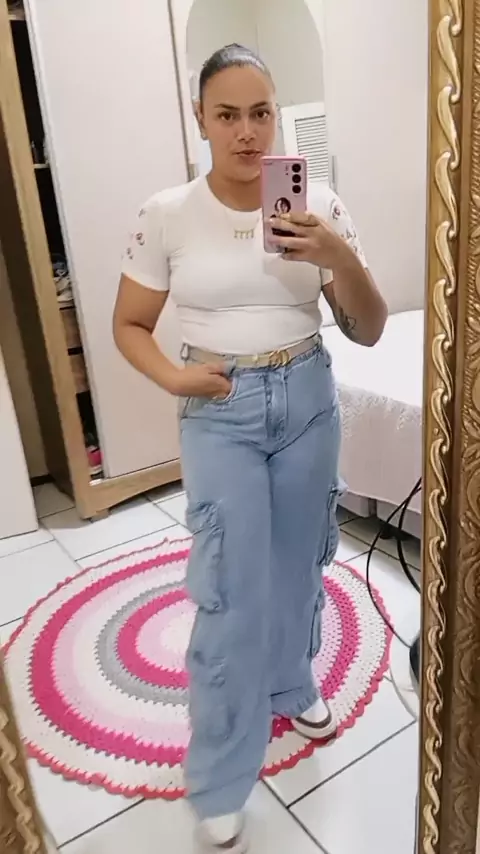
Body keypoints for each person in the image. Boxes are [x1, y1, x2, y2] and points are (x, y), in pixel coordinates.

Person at [114, 43, 387, 854]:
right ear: (200, 119)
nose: (246, 132)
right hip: (220, 408)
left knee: (300, 564)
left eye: (260, 113)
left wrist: (336, 254)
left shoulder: (318, 202)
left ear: (276, 117)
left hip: (307, 396)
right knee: (230, 589)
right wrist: (175, 376)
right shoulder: (168, 213)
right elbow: (129, 324)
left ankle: (293, 683)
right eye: (227, 114)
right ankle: (222, 772)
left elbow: (370, 329)